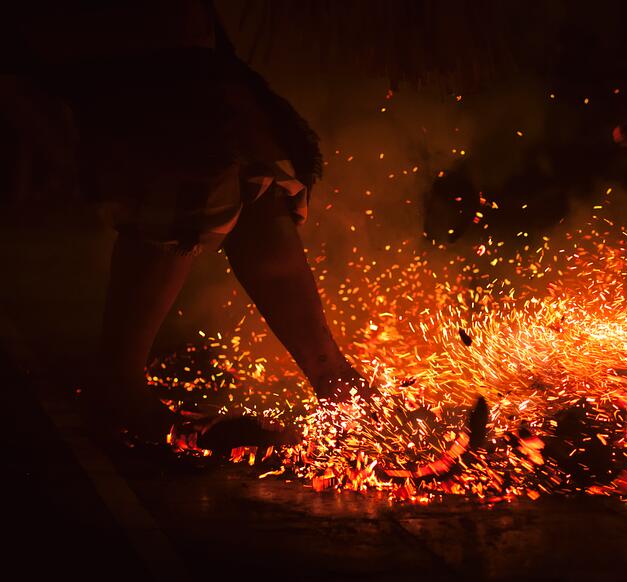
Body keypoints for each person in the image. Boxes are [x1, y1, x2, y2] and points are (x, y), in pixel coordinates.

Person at [8, 1, 370, 445]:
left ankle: (333, 376)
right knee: (188, 187)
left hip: (188, 47)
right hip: (121, 49)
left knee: (262, 185)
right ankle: (117, 383)